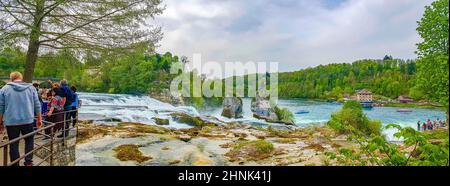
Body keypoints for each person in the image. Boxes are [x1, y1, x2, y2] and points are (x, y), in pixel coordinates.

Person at [0, 72, 42, 166]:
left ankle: (15, 164)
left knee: (13, 143)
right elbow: (37, 105)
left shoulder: (4, 89)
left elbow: (1, 108)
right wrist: (39, 119)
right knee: (29, 140)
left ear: (11, 79)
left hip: (11, 122)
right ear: (21, 78)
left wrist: (0, 123)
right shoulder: (31, 88)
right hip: (28, 120)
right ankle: (28, 162)